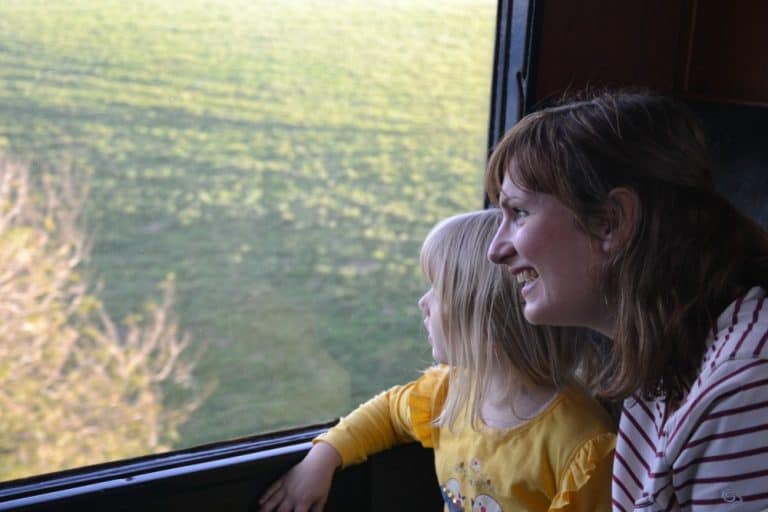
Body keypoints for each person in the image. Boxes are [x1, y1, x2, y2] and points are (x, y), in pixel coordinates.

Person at [485, 90, 768, 511]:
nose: (496, 248)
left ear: (610, 222)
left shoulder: (743, 385)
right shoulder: (663, 354)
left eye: (519, 213)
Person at [258, 209, 616, 512]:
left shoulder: (582, 445)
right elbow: (386, 414)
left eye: (437, 290)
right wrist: (324, 458)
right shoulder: (450, 391)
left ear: (485, 320)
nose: (422, 303)